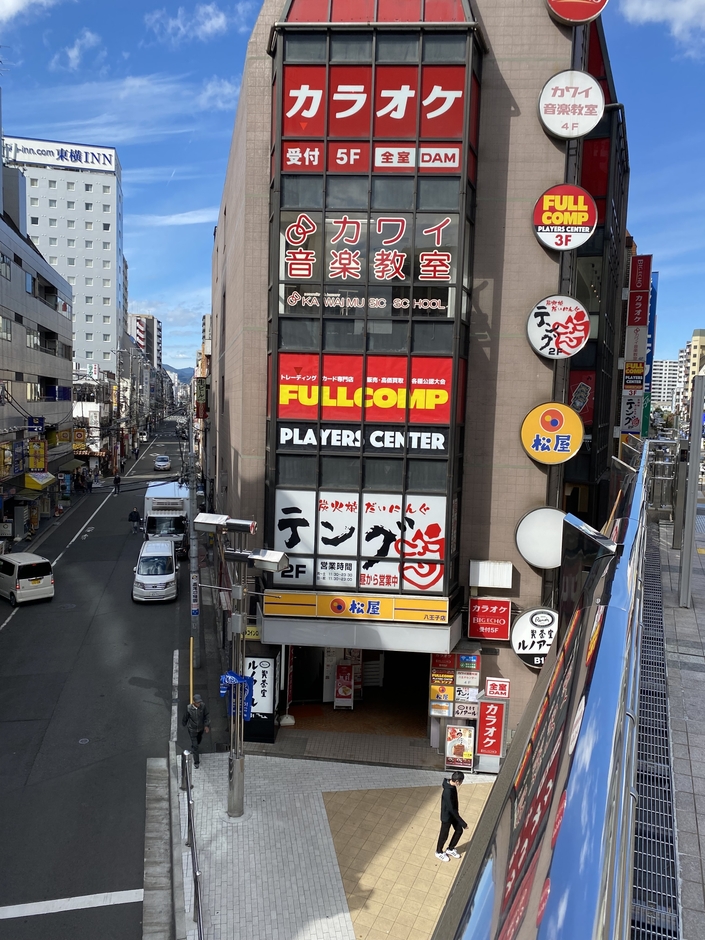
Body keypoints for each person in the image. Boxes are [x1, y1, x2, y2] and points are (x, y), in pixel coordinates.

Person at [435, 771, 468, 862]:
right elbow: (451, 809)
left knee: (459, 830)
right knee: (444, 835)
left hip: (453, 814)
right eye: (461, 781)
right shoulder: (448, 791)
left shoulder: (452, 786)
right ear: (457, 781)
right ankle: (439, 852)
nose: (461, 783)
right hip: (447, 816)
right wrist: (463, 823)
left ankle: (450, 849)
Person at [182, 694, 210, 768]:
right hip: (192, 729)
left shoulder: (203, 706)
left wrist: (206, 725)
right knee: (195, 746)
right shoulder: (189, 708)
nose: (199, 704)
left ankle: (195, 745)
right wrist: (184, 723)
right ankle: (196, 762)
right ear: (194, 702)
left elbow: (206, 715)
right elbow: (186, 716)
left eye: (199, 702)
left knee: (199, 740)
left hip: (200, 729)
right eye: (197, 702)